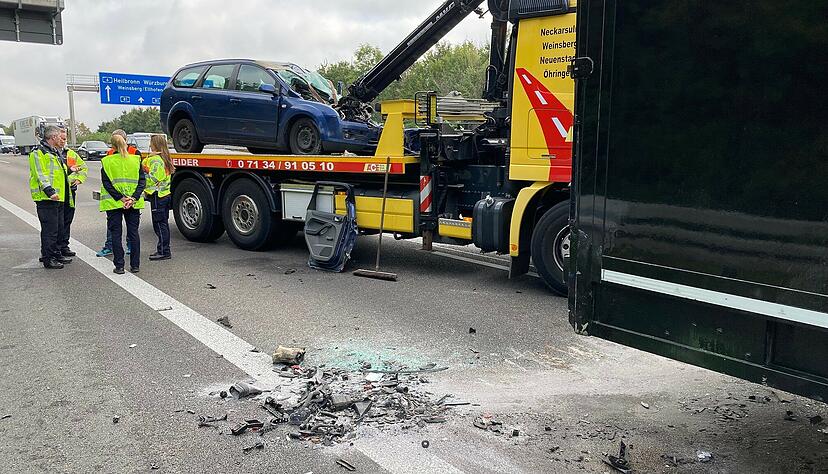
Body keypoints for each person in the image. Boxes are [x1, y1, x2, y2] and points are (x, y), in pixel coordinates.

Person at [28, 125, 73, 269]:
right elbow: (40, 174)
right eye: (59, 136)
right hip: (46, 198)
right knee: (50, 231)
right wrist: (50, 191)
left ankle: (56, 253)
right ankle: (49, 258)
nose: (61, 139)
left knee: (58, 228)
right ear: (53, 137)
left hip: (58, 198)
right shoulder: (38, 153)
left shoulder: (53, 152)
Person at [100, 132, 145, 274]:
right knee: (133, 233)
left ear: (112, 146)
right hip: (133, 203)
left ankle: (119, 266)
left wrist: (120, 198)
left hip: (115, 203)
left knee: (116, 234)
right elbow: (142, 182)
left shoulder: (107, 161)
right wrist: (133, 198)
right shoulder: (136, 160)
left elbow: (106, 183)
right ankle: (135, 265)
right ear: (126, 142)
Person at [143, 134, 175, 260]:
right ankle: (164, 250)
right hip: (164, 194)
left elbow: (155, 178)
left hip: (157, 196)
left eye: (151, 143)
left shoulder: (155, 160)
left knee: (159, 225)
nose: (150, 145)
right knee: (163, 223)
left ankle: (163, 251)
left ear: (155, 144)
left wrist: (145, 171)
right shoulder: (164, 157)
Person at [58, 129, 88, 257]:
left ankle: (64, 245)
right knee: (57, 222)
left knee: (67, 219)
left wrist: (79, 179)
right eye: (61, 138)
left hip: (70, 191)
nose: (63, 141)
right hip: (57, 193)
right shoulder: (50, 154)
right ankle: (56, 247)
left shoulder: (71, 154)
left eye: (65, 139)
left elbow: (83, 167)